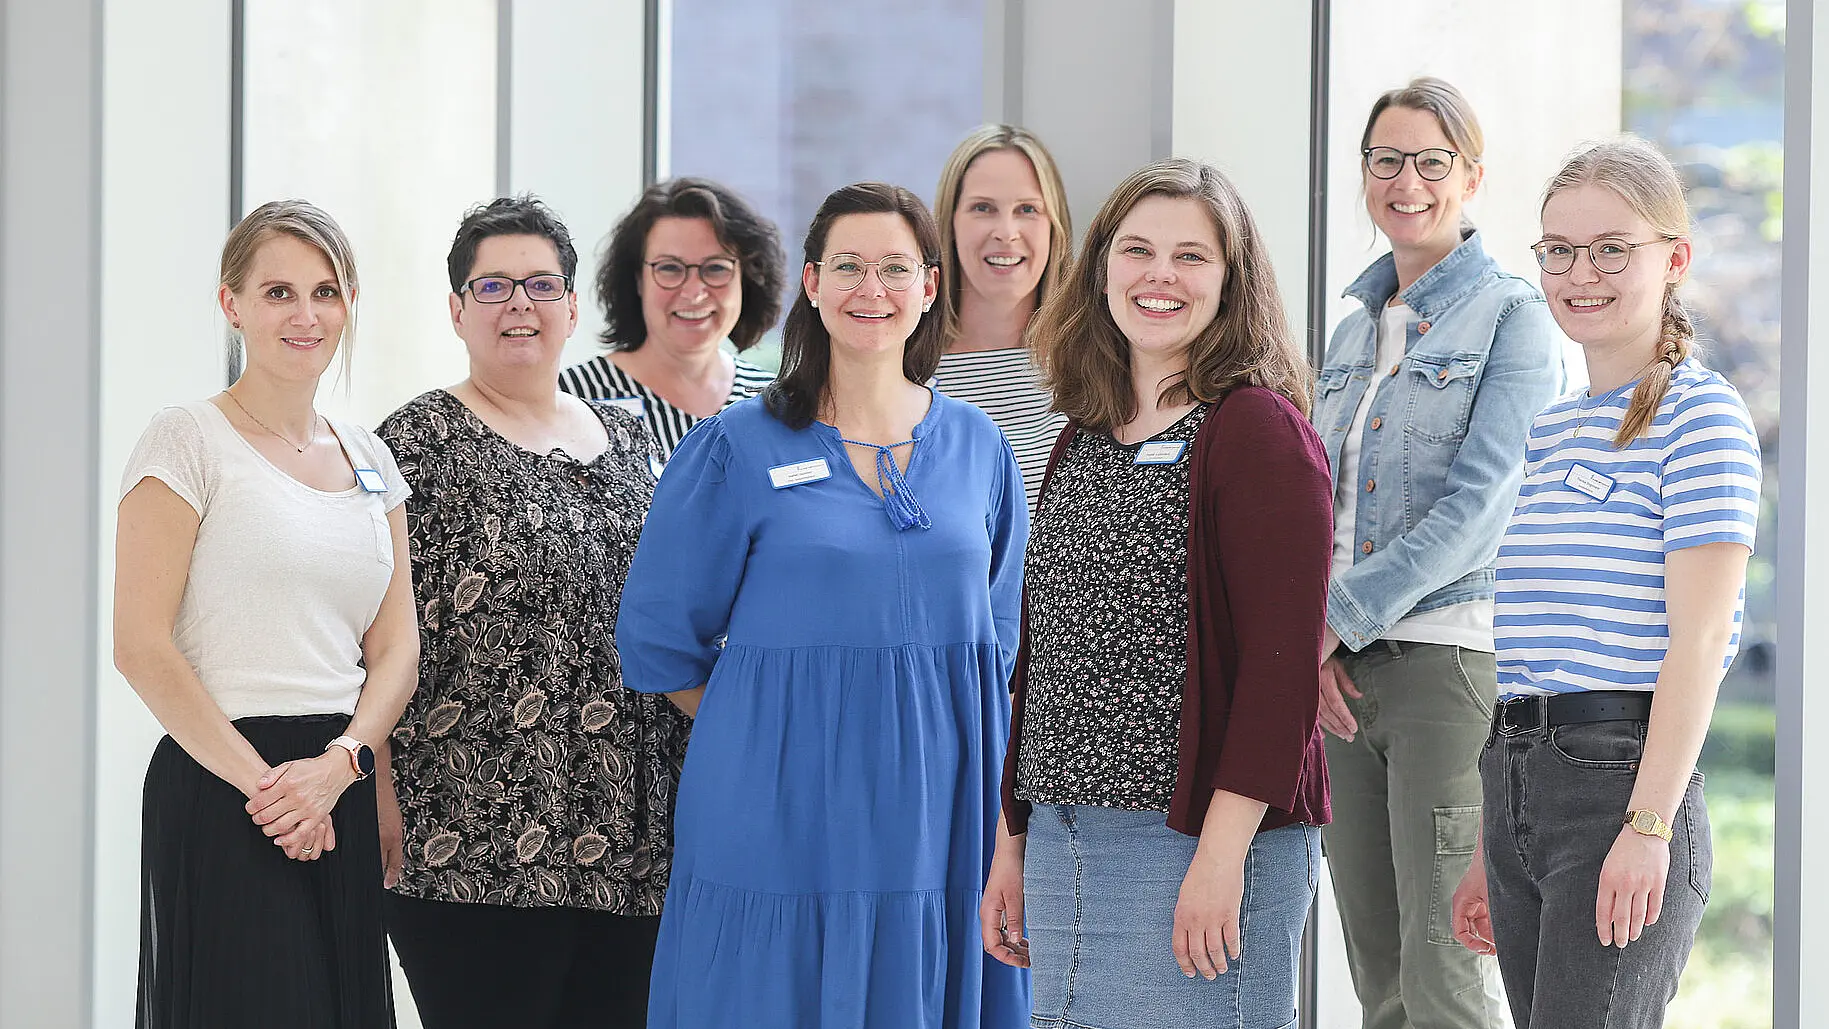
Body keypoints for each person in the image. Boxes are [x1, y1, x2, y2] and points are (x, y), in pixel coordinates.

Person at [616, 182, 1031, 1028]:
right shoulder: (737, 444)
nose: (868, 289)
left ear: (929, 285)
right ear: (811, 283)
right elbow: (660, 639)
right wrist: (774, 719)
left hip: (940, 806)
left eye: (892, 268)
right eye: (846, 266)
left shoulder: (979, 446)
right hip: (776, 803)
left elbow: (1000, 640)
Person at [982, 158, 1333, 1029]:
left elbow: (1279, 671)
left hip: (1192, 842)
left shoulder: (1255, 429)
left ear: (1232, 279)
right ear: (1100, 267)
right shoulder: (1085, 430)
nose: (1159, 276)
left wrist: (1221, 859)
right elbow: (1047, 649)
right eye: (1136, 250)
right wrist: (1012, 835)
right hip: (1067, 836)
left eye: (1191, 257)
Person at [1450, 137, 1761, 1029]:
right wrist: (1489, 840)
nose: (1579, 273)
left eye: (1610, 248)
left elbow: (1700, 644)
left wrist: (1649, 825)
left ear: (1674, 259)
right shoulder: (1549, 431)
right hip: (1516, 777)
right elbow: (1530, 652)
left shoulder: (1701, 417)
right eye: (1558, 250)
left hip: (1618, 786)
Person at [378, 196, 689, 1027]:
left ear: (573, 307)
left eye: (542, 284)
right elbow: (368, 632)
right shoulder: (413, 443)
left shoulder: (631, 443)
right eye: (494, 286)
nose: (520, 303)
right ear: (455, 309)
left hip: (633, 837)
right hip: (472, 832)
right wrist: (372, 787)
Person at [115, 199, 415, 1028]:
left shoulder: (372, 457)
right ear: (231, 303)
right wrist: (275, 791)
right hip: (229, 782)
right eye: (278, 291)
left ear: (349, 303)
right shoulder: (185, 438)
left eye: (325, 291)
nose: (305, 313)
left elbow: (396, 650)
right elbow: (141, 646)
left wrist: (349, 768)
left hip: (337, 778)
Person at [1313, 78, 1562, 1029]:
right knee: (1378, 981)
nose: (1405, 180)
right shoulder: (1349, 331)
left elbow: (1481, 507)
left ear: (1470, 176)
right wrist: (1315, 649)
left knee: (1446, 980)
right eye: (1386, 159)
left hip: (1445, 668)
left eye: (1430, 160)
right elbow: (1319, 510)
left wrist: (1330, 622)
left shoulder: (1512, 318)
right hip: (1341, 678)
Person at [560, 176, 786, 462]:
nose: (694, 292)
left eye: (716, 268)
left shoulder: (777, 403)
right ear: (637, 280)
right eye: (669, 268)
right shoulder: (572, 396)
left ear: (747, 279)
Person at [932, 124, 1073, 512]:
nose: (1006, 232)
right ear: (951, 223)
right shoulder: (905, 366)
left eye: (1027, 210)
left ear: (1053, 226)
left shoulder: (1092, 363)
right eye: (983, 208)